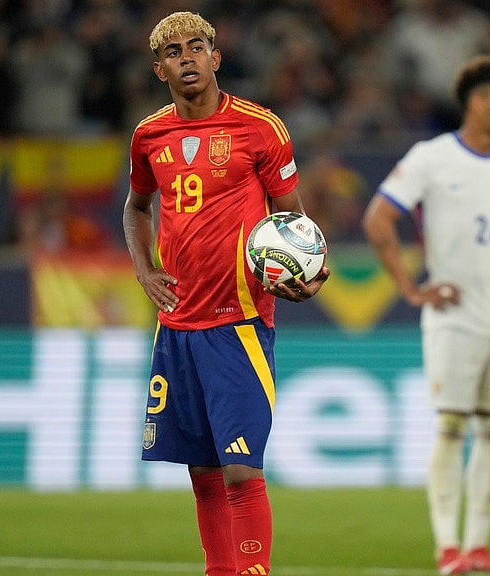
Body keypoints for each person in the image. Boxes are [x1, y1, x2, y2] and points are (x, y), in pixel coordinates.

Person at [122, 12, 329, 576]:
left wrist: (304, 274)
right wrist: (144, 269)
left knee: (241, 472)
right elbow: (137, 206)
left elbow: (293, 221)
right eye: (173, 53)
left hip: (238, 322)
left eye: (196, 48)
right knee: (204, 473)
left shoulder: (262, 129)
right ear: (159, 68)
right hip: (177, 325)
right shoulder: (149, 136)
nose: (186, 58)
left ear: (216, 57)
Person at [362, 54, 490, 576]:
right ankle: (448, 549)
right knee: (453, 425)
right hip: (454, 317)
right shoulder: (431, 158)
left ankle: (478, 547)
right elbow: (379, 219)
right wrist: (411, 290)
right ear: (478, 104)